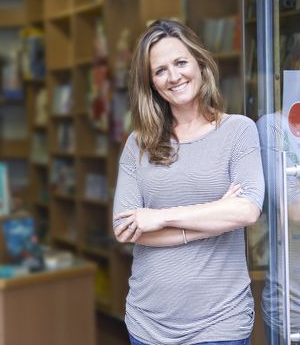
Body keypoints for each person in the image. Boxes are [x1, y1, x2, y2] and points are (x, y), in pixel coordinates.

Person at [112, 19, 265, 345]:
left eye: (181, 62)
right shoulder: (137, 143)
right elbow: (125, 228)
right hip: (148, 323)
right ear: (151, 82)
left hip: (221, 323)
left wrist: (160, 217)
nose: (174, 76)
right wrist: (218, 215)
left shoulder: (239, 131)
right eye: (160, 70)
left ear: (200, 63)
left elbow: (248, 211)